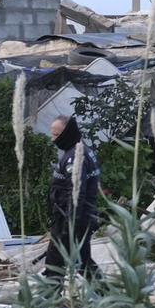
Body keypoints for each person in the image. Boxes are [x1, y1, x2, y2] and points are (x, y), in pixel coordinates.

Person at [47, 114, 101, 279]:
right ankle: (107, 297)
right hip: (75, 218)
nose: (53, 139)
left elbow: (76, 193)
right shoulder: (80, 150)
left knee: (55, 264)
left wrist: (68, 228)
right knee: (82, 262)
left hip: (72, 220)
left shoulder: (74, 158)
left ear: (67, 134)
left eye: (56, 135)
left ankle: (51, 301)